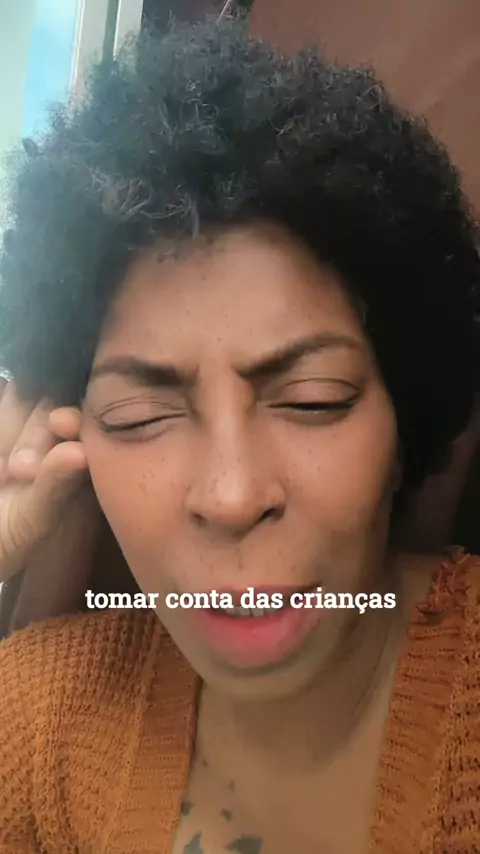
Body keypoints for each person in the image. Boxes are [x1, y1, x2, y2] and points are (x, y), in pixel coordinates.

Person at [0, 15, 480, 854]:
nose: (231, 496)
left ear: (403, 424)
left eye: (314, 400)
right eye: (139, 417)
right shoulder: (39, 721)